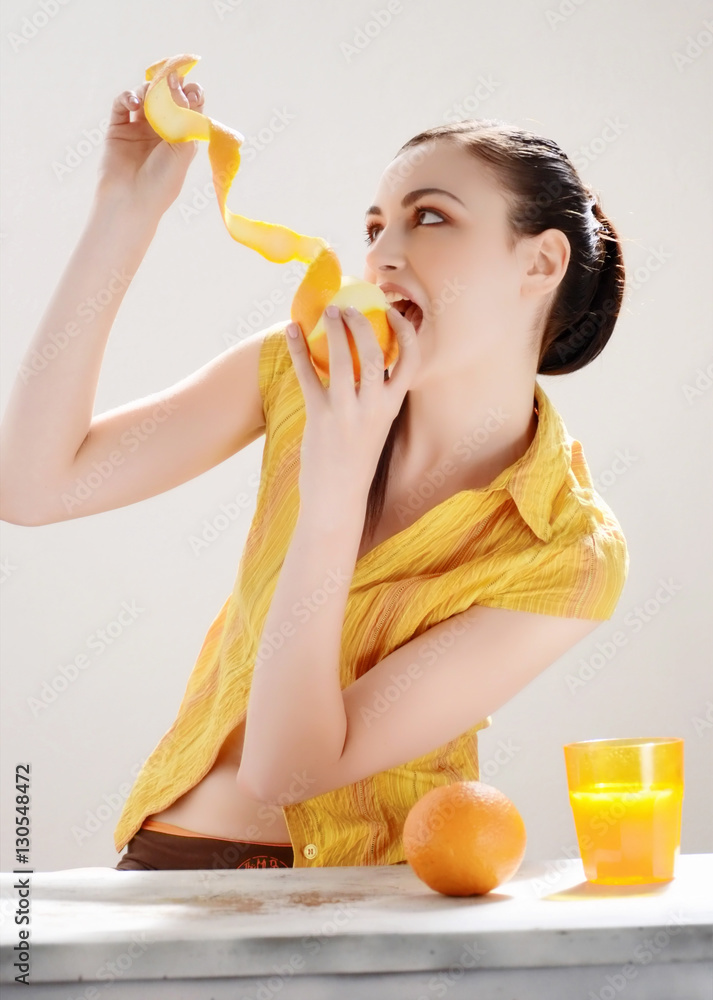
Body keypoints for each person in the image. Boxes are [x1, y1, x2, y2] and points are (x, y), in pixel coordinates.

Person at [0, 73, 629, 872]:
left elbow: (286, 771)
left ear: (540, 261)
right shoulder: (299, 372)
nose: (382, 253)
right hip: (164, 859)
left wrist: (333, 493)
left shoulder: (568, 554)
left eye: (429, 217)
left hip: (352, 903)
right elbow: (31, 486)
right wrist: (125, 212)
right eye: (375, 225)